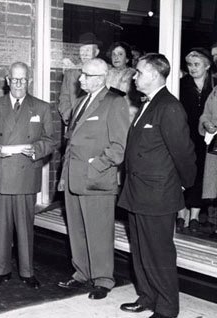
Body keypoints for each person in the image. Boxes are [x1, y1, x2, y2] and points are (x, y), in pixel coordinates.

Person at [118, 53, 196, 318]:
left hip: (158, 193)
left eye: (138, 72)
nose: (135, 76)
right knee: (140, 250)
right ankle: (147, 297)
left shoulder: (169, 106)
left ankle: (166, 309)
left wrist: (185, 185)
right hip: (138, 191)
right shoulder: (148, 104)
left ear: (153, 74)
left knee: (159, 254)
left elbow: (184, 153)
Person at [0, 61, 55, 290]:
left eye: (23, 79)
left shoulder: (41, 107)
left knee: (25, 226)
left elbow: (50, 140)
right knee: (2, 226)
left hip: (26, 174)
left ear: (28, 81)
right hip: (2, 174)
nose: (19, 84)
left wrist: (37, 150)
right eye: (15, 79)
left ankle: (27, 272)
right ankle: (1, 270)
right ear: (7, 80)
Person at [57, 58, 130, 300]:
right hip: (73, 178)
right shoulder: (79, 103)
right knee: (76, 230)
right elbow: (70, 144)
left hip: (96, 179)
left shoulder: (115, 102)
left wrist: (94, 166)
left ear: (100, 78)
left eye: (86, 75)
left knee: (99, 232)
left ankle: (103, 279)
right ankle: (81, 273)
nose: (80, 79)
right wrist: (64, 177)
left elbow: (120, 147)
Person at [176, 48, 213, 233]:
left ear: (207, 65)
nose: (192, 68)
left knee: (201, 174)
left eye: (196, 64)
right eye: (189, 65)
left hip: (206, 136)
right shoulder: (180, 84)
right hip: (185, 134)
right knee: (184, 172)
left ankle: (195, 216)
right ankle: (181, 213)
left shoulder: (214, 87)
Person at [58, 32, 102, 124]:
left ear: (96, 52)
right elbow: (64, 97)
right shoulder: (71, 72)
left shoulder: (105, 71)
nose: (84, 54)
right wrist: (69, 116)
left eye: (88, 50)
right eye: (82, 50)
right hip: (74, 123)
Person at [199, 85, 217, 239]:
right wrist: (206, 123)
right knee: (214, 186)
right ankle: (213, 224)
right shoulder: (215, 90)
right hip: (215, 143)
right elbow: (206, 114)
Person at [106, 41, 139, 121]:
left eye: (120, 54)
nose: (116, 57)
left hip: (126, 115)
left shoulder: (134, 74)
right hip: (107, 113)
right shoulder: (105, 73)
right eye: (114, 54)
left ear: (127, 58)